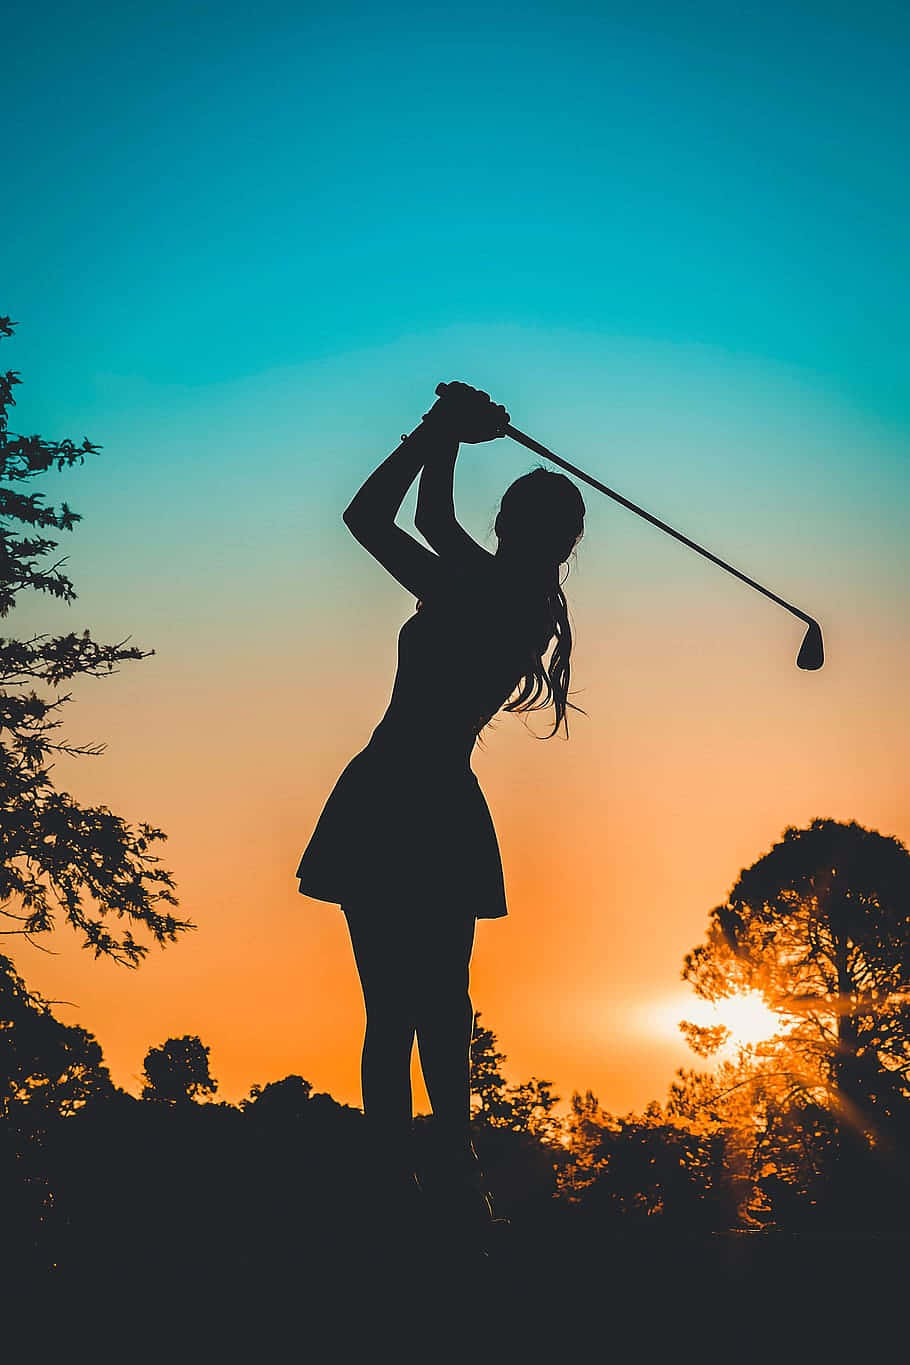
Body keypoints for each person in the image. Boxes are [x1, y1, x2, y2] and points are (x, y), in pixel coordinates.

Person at [295, 381, 585, 1245]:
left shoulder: (486, 591)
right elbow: (427, 517)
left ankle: (420, 1187)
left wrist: (438, 428)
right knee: (433, 1007)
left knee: (402, 1010)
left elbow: (368, 518)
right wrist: (447, 436)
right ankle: (437, 1187)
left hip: (390, 796)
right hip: (432, 803)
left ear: (513, 527)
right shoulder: (513, 594)